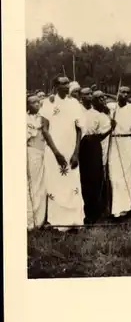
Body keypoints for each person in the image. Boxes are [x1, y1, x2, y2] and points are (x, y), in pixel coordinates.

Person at [41, 76, 85, 231]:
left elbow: (80, 129)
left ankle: (75, 221)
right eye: (63, 83)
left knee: (72, 183)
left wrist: (76, 153)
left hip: (71, 150)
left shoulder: (74, 104)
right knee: (56, 183)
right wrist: (56, 153)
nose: (67, 85)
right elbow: (44, 129)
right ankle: (58, 223)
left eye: (68, 83)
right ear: (55, 86)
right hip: (54, 151)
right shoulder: (49, 103)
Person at [78, 88, 114, 225]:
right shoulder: (78, 110)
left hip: (93, 146)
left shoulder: (97, 114)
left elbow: (100, 135)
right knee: (83, 178)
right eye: (85, 94)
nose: (87, 96)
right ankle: (84, 212)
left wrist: (111, 128)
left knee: (95, 177)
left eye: (89, 94)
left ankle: (95, 212)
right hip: (80, 145)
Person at [108, 86, 131, 218]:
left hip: (126, 141)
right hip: (114, 142)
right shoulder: (112, 107)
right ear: (117, 93)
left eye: (127, 93)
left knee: (126, 175)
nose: (124, 94)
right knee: (114, 175)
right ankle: (116, 209)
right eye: (122, 92)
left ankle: (125, 209)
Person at [27, 95, 47, 230]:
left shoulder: (42, 117)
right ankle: (31, 220)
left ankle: (40, 219)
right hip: (32, 153)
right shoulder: (25, 119)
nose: (37, 104)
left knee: (42, 186)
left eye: (38, 102)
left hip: (43, 152)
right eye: (33, 102)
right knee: (34, 185)